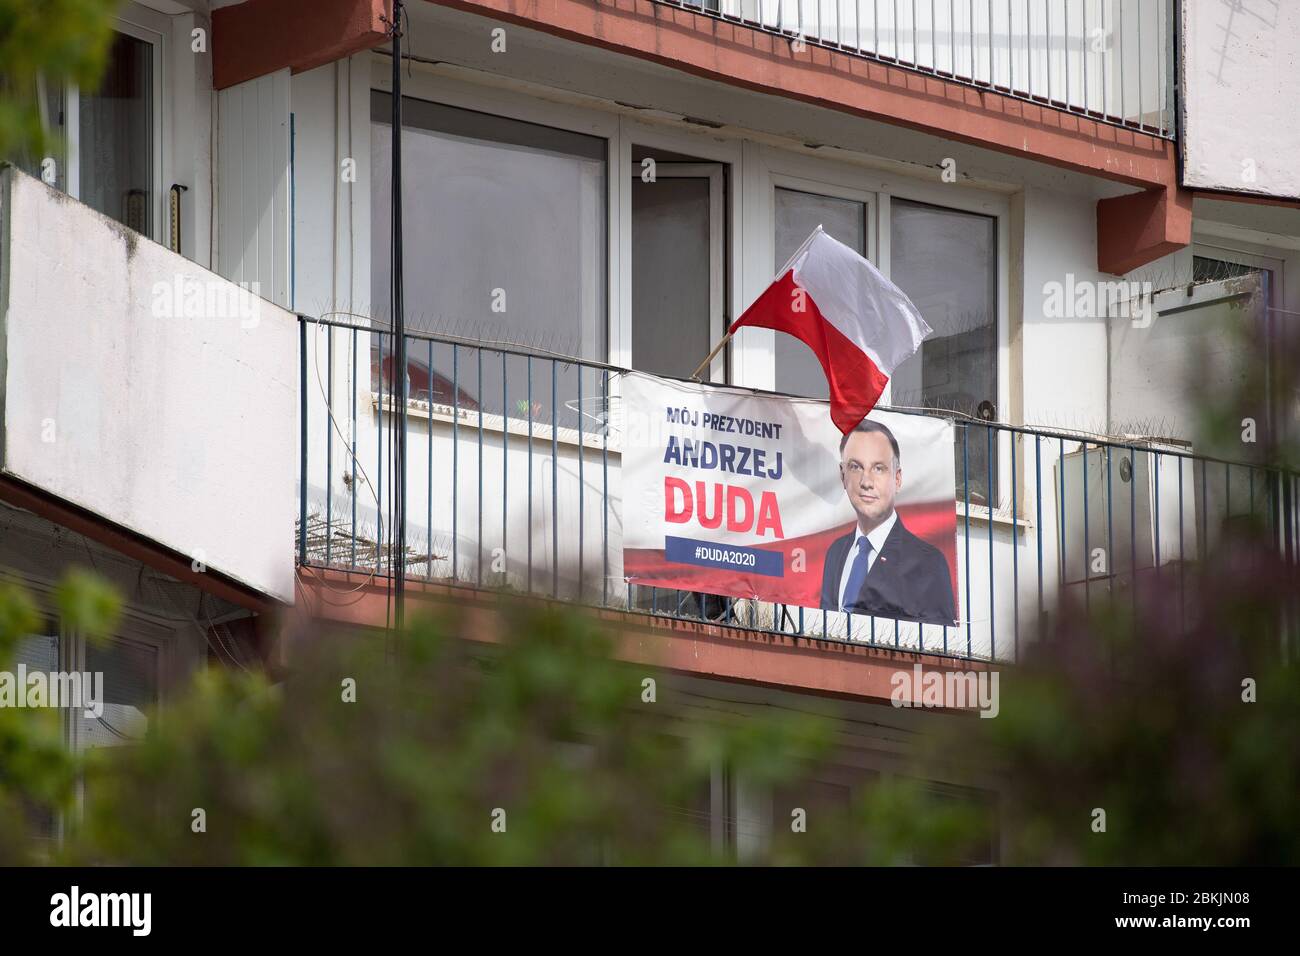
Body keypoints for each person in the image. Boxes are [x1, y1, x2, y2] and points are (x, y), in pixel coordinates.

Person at [818, 419, 956, 627]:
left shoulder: (927, 563)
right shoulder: (836, 552)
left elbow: (940, 644)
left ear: (897, 479)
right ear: (842, 474)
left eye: (878, 469)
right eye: (855, 467)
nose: (866, 482)